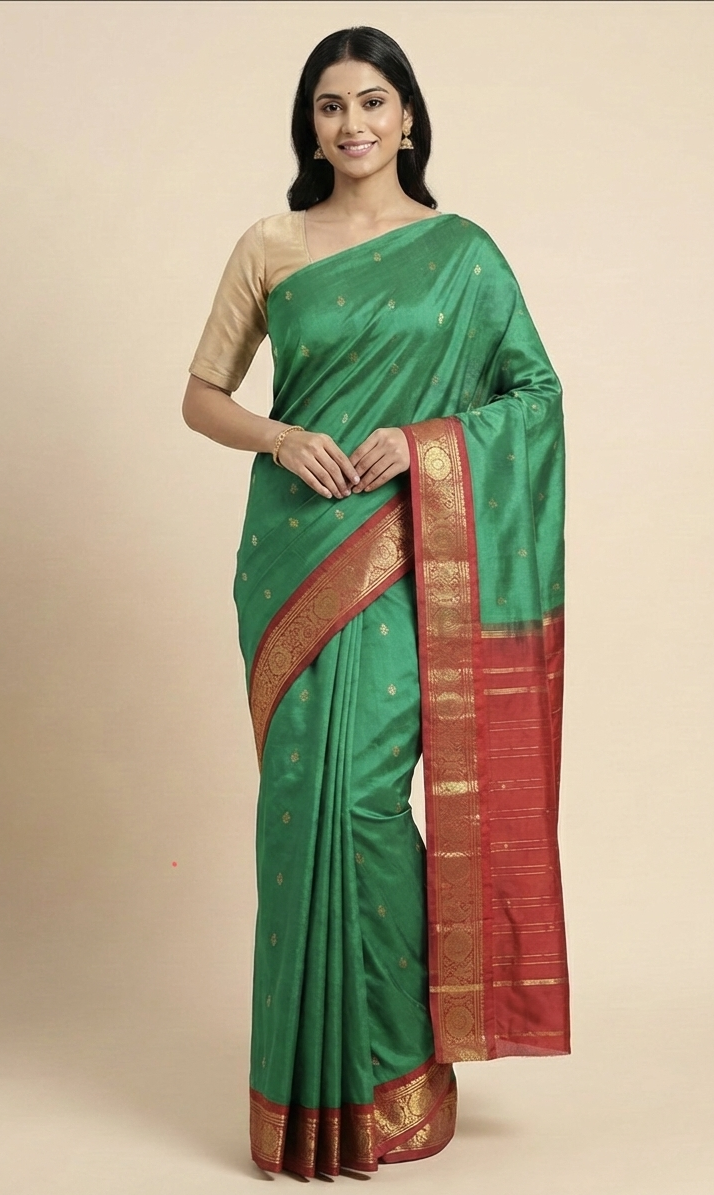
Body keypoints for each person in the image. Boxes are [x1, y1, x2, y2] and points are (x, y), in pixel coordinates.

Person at [183, 25, 570, 1181]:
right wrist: (283, 434)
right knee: (297, 815)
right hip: (294, 554)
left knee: (360, 806)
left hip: (408, 553)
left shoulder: (463, 253)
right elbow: (202, 396)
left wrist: (423, 441)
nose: (351, 125)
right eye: (330, 107)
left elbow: (535, 394)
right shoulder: (272, 243)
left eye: (373, 102)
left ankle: (398, 1074)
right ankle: (306, 1098)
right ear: (311, 125)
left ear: (409, 117)